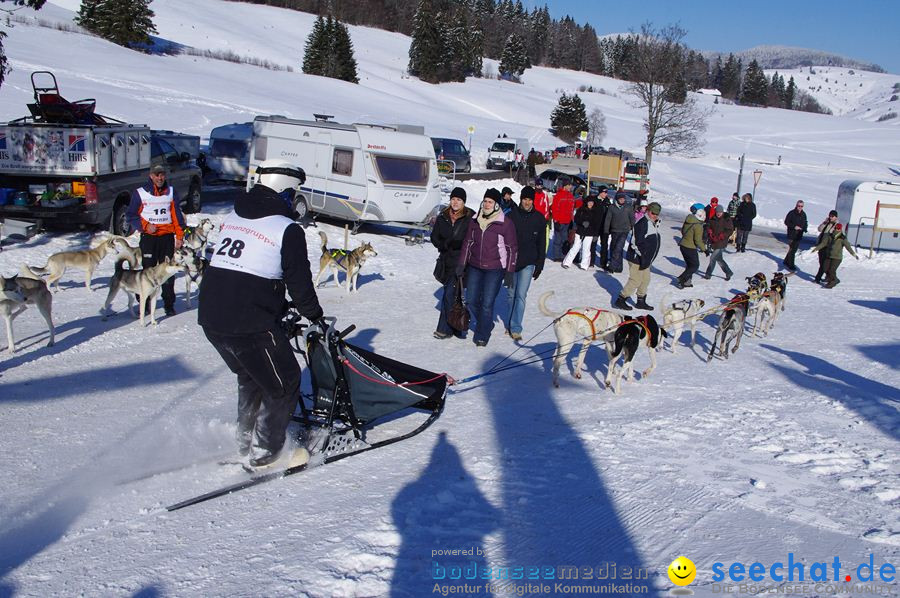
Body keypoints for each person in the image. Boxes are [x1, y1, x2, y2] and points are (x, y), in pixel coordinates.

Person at [198, 160, 325, 467]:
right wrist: (315, 316)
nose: (294, 200)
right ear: (283, 191)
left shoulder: (233, 216)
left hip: (211, 317)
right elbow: (299, 281)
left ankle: (244, 440)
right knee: (285, 381)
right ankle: (266, 451)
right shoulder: (286, 229)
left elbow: (243, 272)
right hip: (249, 322)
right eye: (292, 193)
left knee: (251, 375)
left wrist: (278, 307)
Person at [456, 189, 518, 347]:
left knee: (487, 303)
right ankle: (486, 322)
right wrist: (462, 263)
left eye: (490, 202)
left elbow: (512, 248)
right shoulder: (475, 220)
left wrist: (510, 271)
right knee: (470, 300)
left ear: (497, 205)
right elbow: (467, 243)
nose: (487, 204)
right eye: (485, 201)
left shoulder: (505, 223)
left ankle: (482, 333)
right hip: (475, 266)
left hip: (495, 268)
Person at [127, 164, 185, 316]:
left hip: (166, 238)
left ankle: (169, 303)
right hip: (149, 238)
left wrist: (179, 236)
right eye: (157, 175)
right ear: (151, 176)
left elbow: (176, 216)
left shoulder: (171, 192)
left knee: (167, 271)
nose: (160, 178)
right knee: (147, 271)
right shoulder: (140, 193)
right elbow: (131, 215)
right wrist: (145, 226)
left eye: (162, 174)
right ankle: (144, 303)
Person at [431, 187, 475, 340]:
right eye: (453, 199)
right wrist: (444, 244)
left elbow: (474, 239)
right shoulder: (443, 216)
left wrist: (462, 246)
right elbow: (434, 237)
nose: (455, 202)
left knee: (449, 295)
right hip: (446, 261)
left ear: (464, 202)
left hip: (462, 262)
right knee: (454, 296)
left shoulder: (470, 217)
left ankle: (444, 329)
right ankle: (457, 327)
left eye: (459, 200)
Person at [506, 186, 546, 340]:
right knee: (510, 295)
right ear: (521, 199)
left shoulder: (539, 218)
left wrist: (539, 265)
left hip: (528, 263)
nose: (527, 202)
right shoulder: (511, 216)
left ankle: (516, 327)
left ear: (533, 201)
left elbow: (542, 244)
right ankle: (509, 323)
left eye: (530, 199)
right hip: (511, 262)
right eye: (524, 199)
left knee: (521, 295)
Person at [614, 202, 662, 311]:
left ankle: (641, 301)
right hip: (637, 258)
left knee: (645, 280)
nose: (655, 215)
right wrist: (643, 257)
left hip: (645, 259)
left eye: (657, 213)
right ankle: (621, 299)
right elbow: (636, 243)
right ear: (648, 211)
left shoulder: (653, 222)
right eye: (653, 213)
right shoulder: (642, 223)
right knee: (635, 280)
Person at [810, 223, 858, 288]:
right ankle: (835, 279)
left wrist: (854, 254)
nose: (836, 229)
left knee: (831, 270)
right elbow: (824, 243)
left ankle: (832, 282)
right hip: (829, 255)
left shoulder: (842, 238)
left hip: (837, 257)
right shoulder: (830, 236)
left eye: (838, 228)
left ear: (840, 229)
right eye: (836, 228)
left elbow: (848, 247)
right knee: (825, 268)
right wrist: (816, 248)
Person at [562, 195, 602, 270]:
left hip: (590, 233)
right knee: (575, 247)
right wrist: (582, 222)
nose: (590, 204)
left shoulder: (595, 212)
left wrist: (596, 234)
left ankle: (584, 265)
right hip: (580, 231)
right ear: (586, 202)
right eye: (589, 202)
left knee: (586, 249)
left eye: (592, 202)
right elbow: (576, 219)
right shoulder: (581, 210)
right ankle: (567, 262)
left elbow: (597, 224)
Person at [675, 203, 706, 289]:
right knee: (695, 266)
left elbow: (682, 231)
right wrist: (704, 249)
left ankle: (686, 282)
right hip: (690, 248)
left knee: (689, 265)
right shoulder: (698, 226)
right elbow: (698, 240)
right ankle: (681, 278)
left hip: (683, 246)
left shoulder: (688, 220)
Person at [549, 177, 578, 261]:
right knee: (558, 239)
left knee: (564, 240)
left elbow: (573, 207)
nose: (570, 187)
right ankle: (556, 256)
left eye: (571, 185)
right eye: (569, 185)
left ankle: (562, 255)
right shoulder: (559, 195)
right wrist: (556, 220)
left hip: (567, 221)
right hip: (559, 221)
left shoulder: (570, 195)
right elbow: (554, 209)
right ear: (565, 185)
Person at [602, 191, 632, 272]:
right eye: (621, 199)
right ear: (617, 199)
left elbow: (632, 218)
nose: (622, 200)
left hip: (624, 231)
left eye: (623, 199)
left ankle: (612, 266)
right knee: (615, 248)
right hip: (614, 230)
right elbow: (608, 219)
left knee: (618, 248)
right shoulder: (612, 207)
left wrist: (633, 228)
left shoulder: (628, 207)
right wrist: (606, 230)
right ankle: (619, 268)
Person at [703, 205, 734, 281]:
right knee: (719, 259)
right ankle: (728, 272)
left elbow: (730, 230)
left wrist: (722, 235)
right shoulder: (713, 218)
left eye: (720, 212)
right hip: (714, 241)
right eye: (717, 212)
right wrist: (709, 230)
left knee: (713, 258)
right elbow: (708, 226)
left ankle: (708, 274)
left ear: (722, 212)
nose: (718, 213)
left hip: (722, 242)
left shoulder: (726, 219)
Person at [814, 210, 839, 283]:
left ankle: (818, 278)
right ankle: (830, 277)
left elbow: (834, 234)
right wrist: (824, 223)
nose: (830, 217)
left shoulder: (836, 225)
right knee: (822, 263)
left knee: (824, 264)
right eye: (830, 216)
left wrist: (833, 226)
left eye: (832, 216)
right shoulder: (827, 223)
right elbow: (819, 229)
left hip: (828, 246)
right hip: (821, 245)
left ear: (836, 217)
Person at [783, 200, 808, 270]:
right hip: (792, 234)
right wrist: (794, 226)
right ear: (796, 205)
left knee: (794, 249)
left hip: (799, 235)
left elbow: (805, 222)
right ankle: (791, 265)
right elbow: (786, 222)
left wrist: (805, 228)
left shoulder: (804, 214)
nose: (800, 207)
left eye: (801, 206)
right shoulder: (791, 213)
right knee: (792, 250)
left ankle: (786, 261)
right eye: (798, 206)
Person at [593, 186, 612, 269]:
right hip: (596, 227)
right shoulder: (594, 200)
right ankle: (591, 261)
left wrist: (610, 227)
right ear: (600, 192)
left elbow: (611, 215)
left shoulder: (608, 202)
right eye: (604, 192)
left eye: (606, 192)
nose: (605, 194)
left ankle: (603, 263)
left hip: (605, 228)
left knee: (604, 245)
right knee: (593, 244)